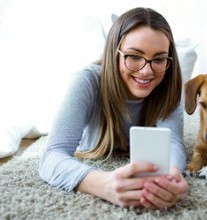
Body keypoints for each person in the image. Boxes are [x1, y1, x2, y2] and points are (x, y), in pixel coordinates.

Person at [39, 7, 188, 209]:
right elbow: (51, 156)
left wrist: (171, 176)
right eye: (134, 56)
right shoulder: (87, 81)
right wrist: (103, 185)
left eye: (159, 59)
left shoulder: (170, 85)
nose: (146, 71)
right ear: (114, 53)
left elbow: (174, 141)